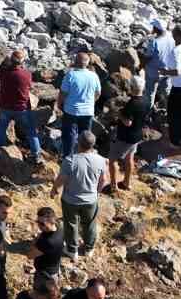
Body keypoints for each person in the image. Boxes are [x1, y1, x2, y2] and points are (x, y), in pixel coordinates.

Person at [54, 133, 109, 261]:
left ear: (78, 143)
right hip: (91, 199)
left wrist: (54, 189)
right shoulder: (101, 160)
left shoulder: (70, 160)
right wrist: (96, 194)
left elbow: (61, 179)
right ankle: (89, 249)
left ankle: (72, 250)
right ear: (92, 144)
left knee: (71, 224)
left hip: (70, 200)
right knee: (90, 224)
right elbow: (103, 180)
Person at [0, 50, 42, 164]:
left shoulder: (4, 73)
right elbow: (30, 87)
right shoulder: (26, 74)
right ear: (22, 62)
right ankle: (36, 155)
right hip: (22, 108)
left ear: (11, 60)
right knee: (31, 131)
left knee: (1, 127)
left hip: (5, 107)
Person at [58, 53, 100, 159]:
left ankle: (68, 158)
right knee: (85, 137)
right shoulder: (94, 76)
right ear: (87, 63)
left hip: (71, 111)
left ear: (75, 62)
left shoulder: (70, 75)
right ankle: (84, 158)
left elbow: (63, 93)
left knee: (69, 136)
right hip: (88, 111)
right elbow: (98, 93)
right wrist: (92, 102)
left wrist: (59, 104)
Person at [106, 97, 146, 193]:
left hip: (125, 137)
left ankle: (113, 187)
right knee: (129, 158)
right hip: (136, 135)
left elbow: (128, 122)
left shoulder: (132, 103)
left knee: (112, 160)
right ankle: (126, 183)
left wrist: (119, 114)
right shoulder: (145, 101)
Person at [140, 20, 174, 112]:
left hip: (153, 72)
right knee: (166, 91)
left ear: (156, 29)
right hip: (167, 71)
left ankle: (147, 112)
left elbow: (148, 57)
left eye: (153, 27)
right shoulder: (171, 38)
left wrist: (140, 66)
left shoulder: (154, 42)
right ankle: (171, 111)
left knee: (150, 93)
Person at [28, 208, 65, 283]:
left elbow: (30, 255)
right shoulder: (59, 227)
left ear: (52, 222)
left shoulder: (47, 242)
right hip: (53, 268)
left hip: (45, 275)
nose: (39, 226)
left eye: (42, 224)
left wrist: (35, 240)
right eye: (38, 222)